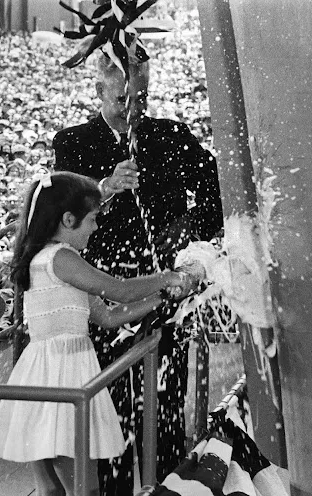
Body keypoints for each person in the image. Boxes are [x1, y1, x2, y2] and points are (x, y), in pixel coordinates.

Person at [53, 53, 223, 491]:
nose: (132, 109)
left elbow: (213, 184)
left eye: (141, 97)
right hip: (104, 289)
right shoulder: (72, 143)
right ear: (98, 93)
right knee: (108, 409)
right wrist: (105, 188)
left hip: (163, 286)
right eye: (121, 99)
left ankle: (166, 483)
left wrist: (191, 240)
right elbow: (63, 216)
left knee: (165, 403)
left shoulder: (171, 136)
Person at [0, 172, 191, 496]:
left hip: (42, 373)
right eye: (93, 219)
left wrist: (161, 298)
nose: (96, 227)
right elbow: (119, 291)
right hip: (63, 374)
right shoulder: (60, 257)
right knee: (86, 488)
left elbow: (109, 316)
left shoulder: (46, 258)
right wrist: (169, 277)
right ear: (68, 219)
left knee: (52, 489)